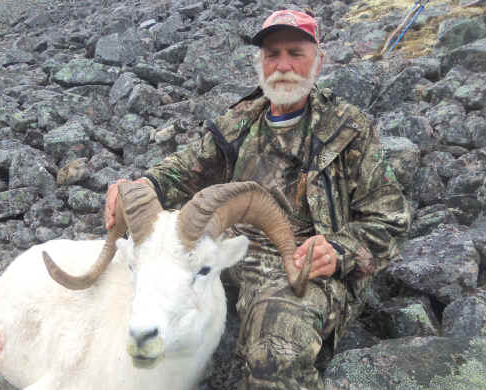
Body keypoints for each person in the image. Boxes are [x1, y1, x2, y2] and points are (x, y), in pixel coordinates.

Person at [105, 9, 411, 390]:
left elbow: (390, 217)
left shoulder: (349, 129)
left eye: (295, 53)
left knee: (275, 355)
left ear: (319, 60)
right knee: (131, 267)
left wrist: (337, 250)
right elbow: (180, 171)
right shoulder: (240, 121)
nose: (282, 65)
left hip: (302, 264)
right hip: (230, 252)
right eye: (272, 54)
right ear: (260, 64)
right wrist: (140, 188)